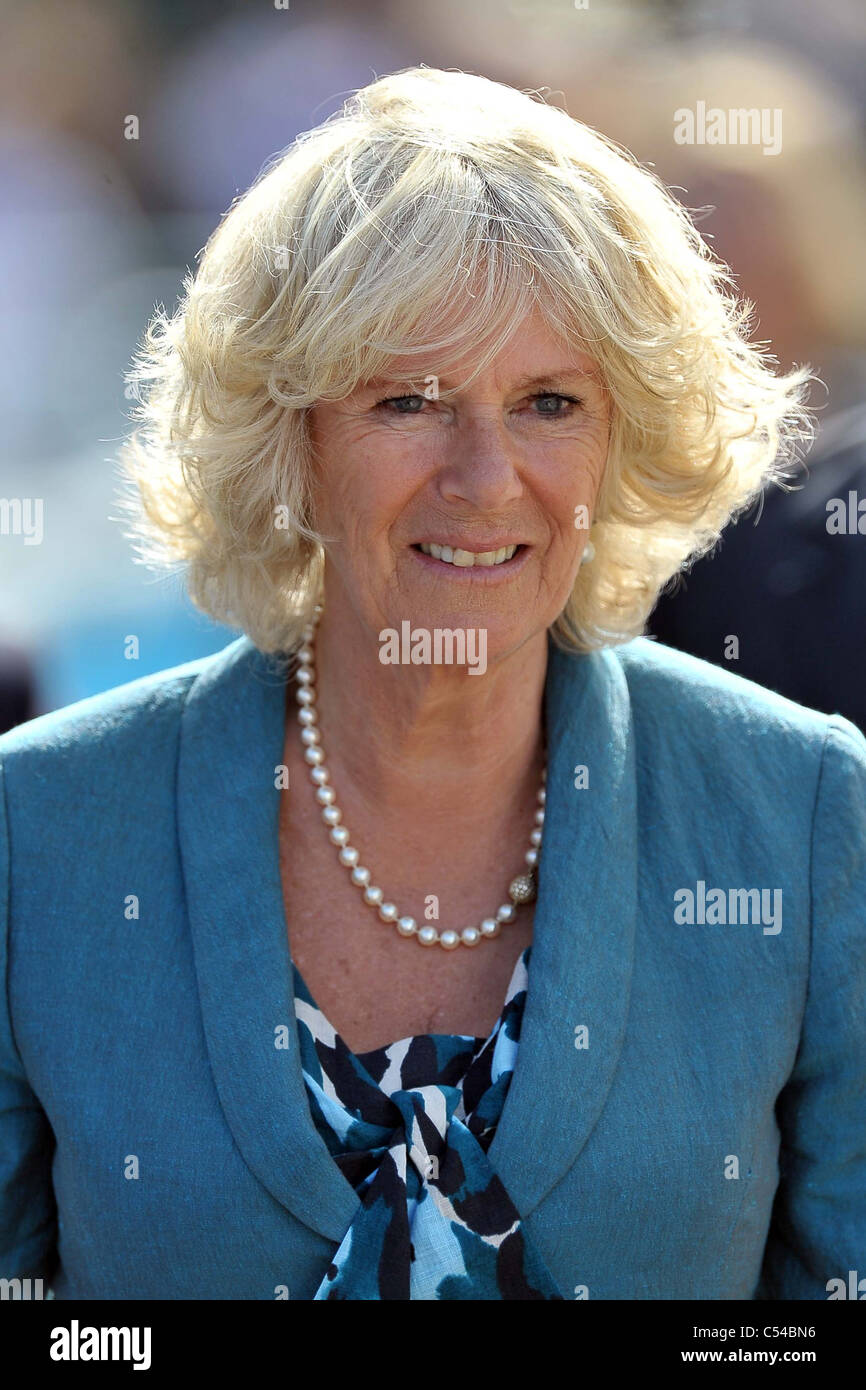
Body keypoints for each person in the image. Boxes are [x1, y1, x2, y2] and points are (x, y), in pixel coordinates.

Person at [1, 66, 863, 1302]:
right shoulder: (41, 829)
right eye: (408, 399)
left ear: (623, 439)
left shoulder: (800, 810)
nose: (484, 477)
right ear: (287, 437)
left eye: (548, 403)